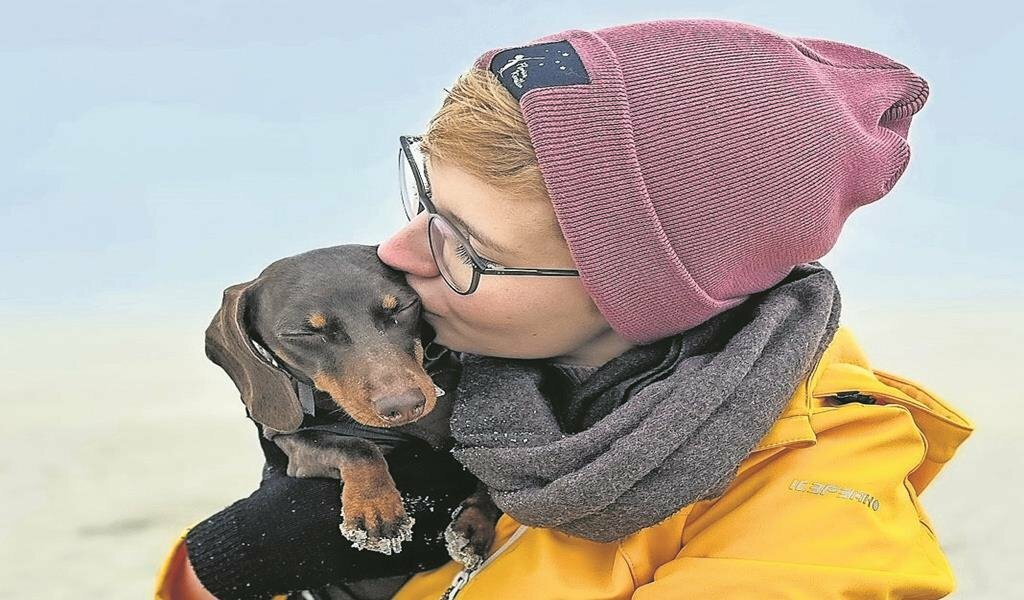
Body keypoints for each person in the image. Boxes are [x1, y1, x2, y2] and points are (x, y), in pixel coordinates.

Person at [155, 18, 975, 599]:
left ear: (635, 291)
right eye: (422, 203)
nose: (398, 255)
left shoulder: (813, 510)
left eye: (471, 249)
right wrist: (214, 568)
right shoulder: (464, 390)